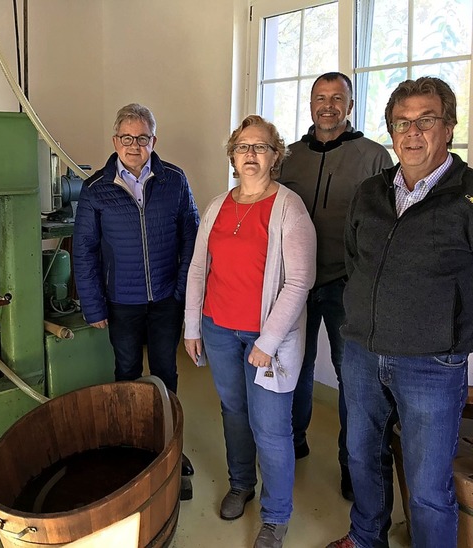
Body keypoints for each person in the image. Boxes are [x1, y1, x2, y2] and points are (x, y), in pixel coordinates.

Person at [327, 77, 473, 548]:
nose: (413, 132)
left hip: (432, 362)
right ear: (391, 131)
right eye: (402, 122)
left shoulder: (467, 196)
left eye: (425, 120)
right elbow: (356, 260)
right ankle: (367, 537)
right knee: (362, 457)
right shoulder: (371, 192)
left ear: (448, 127)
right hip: (363, 353)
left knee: (429, 487)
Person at [184, 115, 316, 548]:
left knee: (272, 428)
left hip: (267, 341)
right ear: (233, 155)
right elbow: (199, 269)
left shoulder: (289, 208)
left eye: (261, 147)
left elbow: (299, 281)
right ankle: (241, 484)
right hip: (219, 329)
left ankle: (276, 517)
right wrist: (192, 325)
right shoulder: (217, 205)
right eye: (243, 147)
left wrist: (268, 341)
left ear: (275, 156)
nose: (251, 155)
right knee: (234, 412)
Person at [279, 72, 393, 501]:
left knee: (354, 380)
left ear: (350, 104)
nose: (327, 106)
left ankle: (353, 467)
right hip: (296, 284)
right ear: (310, 104)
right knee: (295, 366)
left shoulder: (374, 157)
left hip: (348, 285)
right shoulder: (289, 157)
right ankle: (292, 442)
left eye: (337, 98)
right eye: (320, 98)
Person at [72, 103, 200, 481]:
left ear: (153, 141)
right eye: (126, 138)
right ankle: (130, 447)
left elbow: (192, 238)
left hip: (165, 301)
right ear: (115, 141)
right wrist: (94, 306)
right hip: (121, 302)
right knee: (126, 372)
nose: (133, 145)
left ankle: (170, 446)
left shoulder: (174, 180)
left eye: (141, 138)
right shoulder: (96, 189)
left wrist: (179, 291)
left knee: (165, 373)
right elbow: (84, 250)